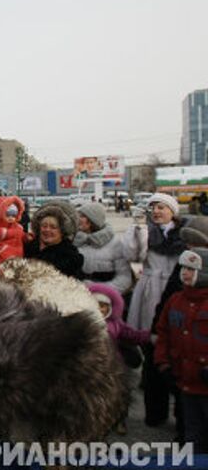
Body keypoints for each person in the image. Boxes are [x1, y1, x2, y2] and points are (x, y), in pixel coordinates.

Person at [154, 248, 208, 453]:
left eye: (192, 269)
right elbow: (163, 333)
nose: (185, 273)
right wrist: (163, 363)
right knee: (191, 430)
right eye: (184, 268)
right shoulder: (175, 300)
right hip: (185, 383)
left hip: (205, 383)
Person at [88, 282, 150, 434]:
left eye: (104, 306)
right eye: (96, 305)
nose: (100, 309)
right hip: (91, 367)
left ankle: (119, 420)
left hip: (114, 367)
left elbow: (131, 335)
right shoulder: (84, 323)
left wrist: (150, 336)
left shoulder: (116, 324)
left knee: (119, 396)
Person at [123, 193, 185, 331]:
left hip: (178, 285)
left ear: (172, 211)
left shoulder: (184, 232)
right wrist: (139, 229)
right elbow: (132, 256)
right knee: (149, 327)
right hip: (150, 287)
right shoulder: (144, 229)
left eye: (161, 207)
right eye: (152, 208)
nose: (156, 211)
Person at [75, 202, 132, 293]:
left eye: (82, 216)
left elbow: (124, 278)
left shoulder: (115, 243)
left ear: (92, 220)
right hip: (77, 296)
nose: (78, 219)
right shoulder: (73, 242)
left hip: (106, 298)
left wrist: (100, 290)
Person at [23, 201, 84, 278]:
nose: (47, 230)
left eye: (53, 227)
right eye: (44, 226)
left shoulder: (69, 258)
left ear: (63, 231)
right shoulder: (28, 248)